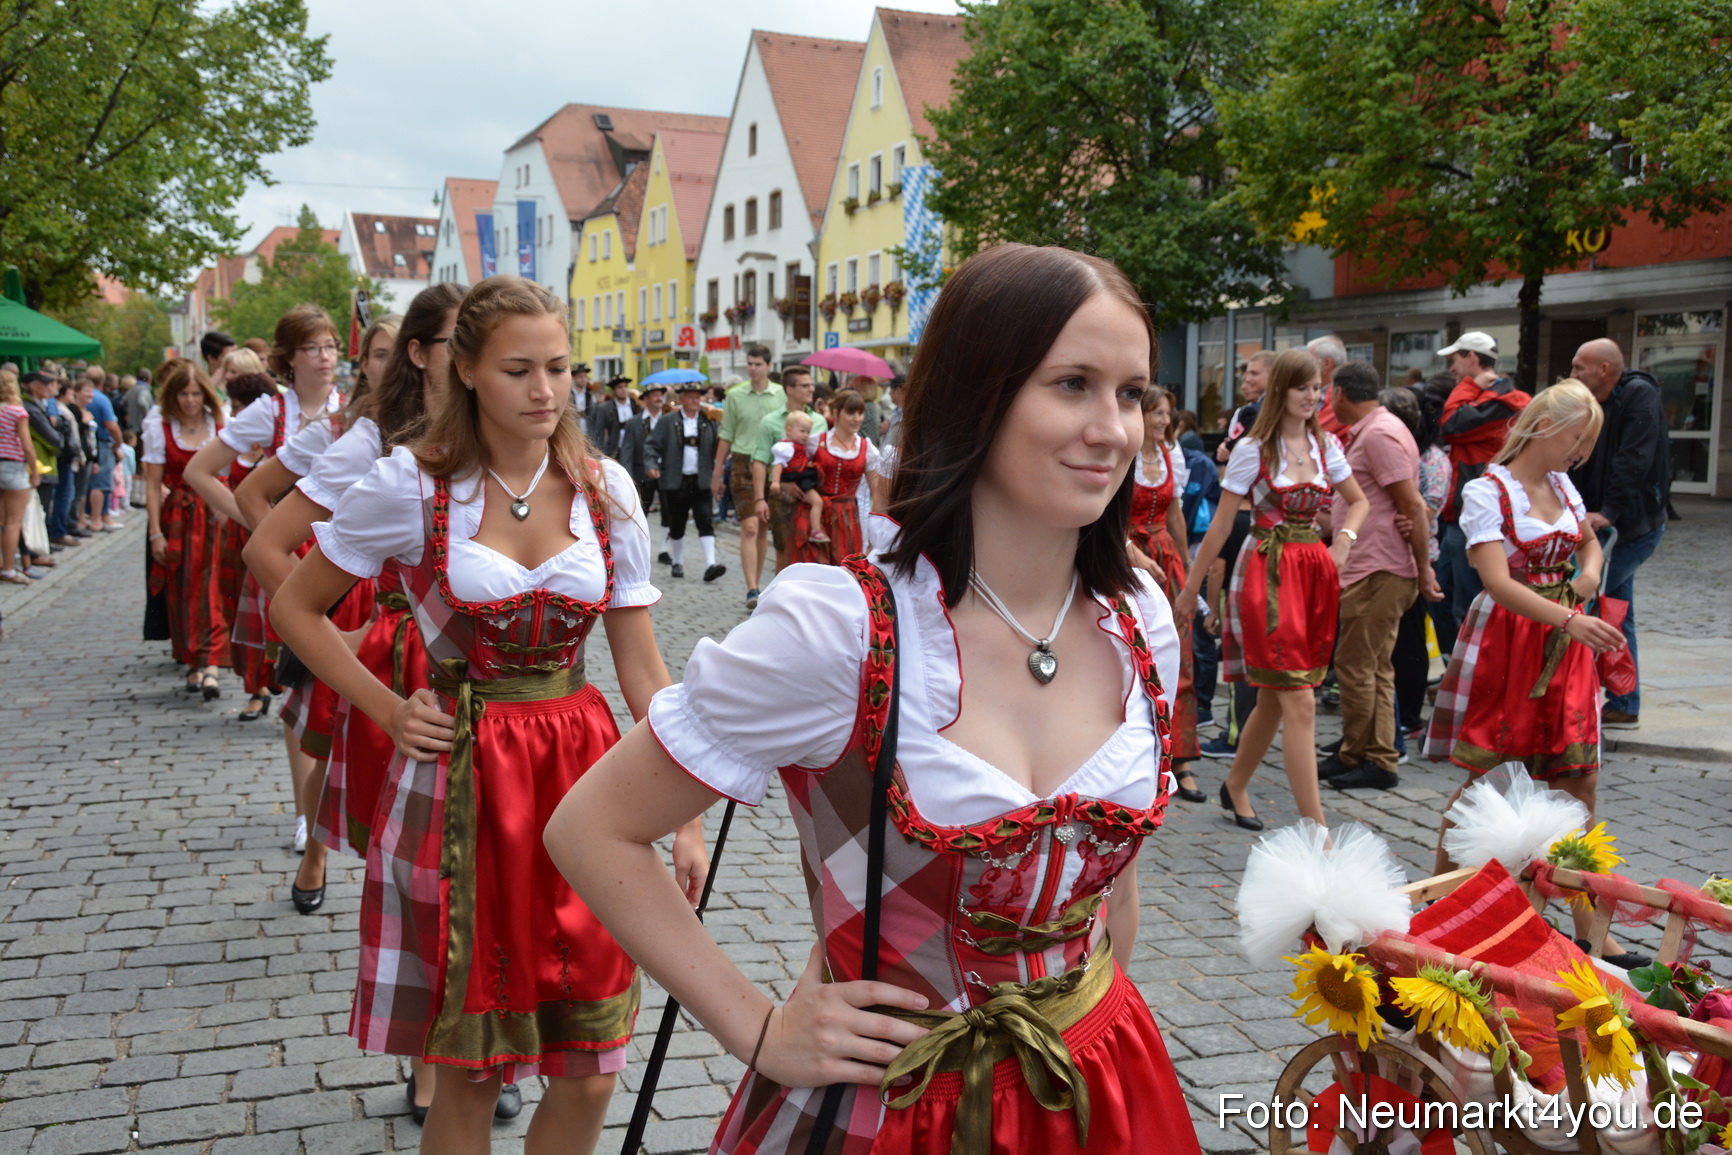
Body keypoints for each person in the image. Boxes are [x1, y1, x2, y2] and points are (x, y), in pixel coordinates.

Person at [547, 242, 1201, 1155]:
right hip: (894, 1104)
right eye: (1072, 385)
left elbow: (1112, 889)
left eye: (1130, 393)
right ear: (977, 395)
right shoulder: (843, 628)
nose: (1114, 429)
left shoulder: (1139, 620)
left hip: (1097, 1079)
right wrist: (758, 1027)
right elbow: (590, 828)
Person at [272, 275, 705, 1154]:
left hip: (583, 780)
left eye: (559, 367)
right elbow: (295, 604)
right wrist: (388, 707)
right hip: (458, 781)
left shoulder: (604, 488)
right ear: (465, 370)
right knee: (468, 1072)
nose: (545, 390)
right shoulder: (412, 484)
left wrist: (685, 816)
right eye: (519, 370)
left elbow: (642, 666)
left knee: (591, 1066)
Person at [1423, 381, 1641, 963]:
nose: (1583, 452)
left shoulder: (1563, 486)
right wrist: (1570, 618)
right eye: (1579, 438)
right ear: (1545, 426)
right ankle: (1438, 901)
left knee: (1579, 778)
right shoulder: (1487, 491)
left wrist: (1588, 575)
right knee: (1489, 779)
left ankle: (1590, 925)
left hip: (1566, 638)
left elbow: (1591, 544)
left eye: (1589, 442)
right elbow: (1497, 582)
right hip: (1512, 641)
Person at [1178, 348, 1370, 828]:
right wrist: (1191, 589)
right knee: (1299, 698)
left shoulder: (1326, 445)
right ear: (1281, 389)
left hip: (1312, 572)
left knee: (1273, 697)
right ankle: (1317, 830)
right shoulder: (1253, 449)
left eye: (1317, 388)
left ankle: (1236, 784)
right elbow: (1222, 526)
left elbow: (1359, 502)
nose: (1312, 396)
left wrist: (1344, 542)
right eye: (1302, 387)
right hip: (1266, 572)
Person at [185, 305, 345, 863]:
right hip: (288, 560)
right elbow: (199, 471)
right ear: (288, 358)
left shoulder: (352, 409)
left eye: (330, 346)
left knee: (342, 677)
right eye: (312, 348)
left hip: (344, 561)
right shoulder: (269, 411)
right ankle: (306, 816)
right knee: (299, 683)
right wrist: (263, 525)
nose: (324, 357)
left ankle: (338, 798)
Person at [1317, 362, 1441, 791]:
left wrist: (1423, 569)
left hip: (1378, 568)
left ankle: (1370, 756)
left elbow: (1412, 504)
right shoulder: (1376, 430)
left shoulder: (1379, 433)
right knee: (1373, 668)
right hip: (1376, 566)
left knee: (1356, 667)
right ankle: (1369, 752)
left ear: (1340, 394)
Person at [1568, 338, 1669, 730]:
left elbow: (1634, 459)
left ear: (1603, 370)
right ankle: (1624, 702)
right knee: (1615, 610)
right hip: (1610, 526)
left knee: (1587, 607)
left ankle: (1579, 698)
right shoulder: (1595, 401)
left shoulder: (1639, 396)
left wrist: (1607, 511)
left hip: (1632, 526)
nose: (1573, 374)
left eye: (1579, 367)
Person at [1128, 384, 1203, 801]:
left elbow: (1175, 513)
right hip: (1126, 554)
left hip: (1165, 555)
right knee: (1135, 651)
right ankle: (1141, 749)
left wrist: (1187, 567)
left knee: (1180, 651)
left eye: (1167, 413)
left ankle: (1182, 757)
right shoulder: (1125, 453)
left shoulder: (1171, 454)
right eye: (1155, 412)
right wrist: (1133, 554)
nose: (1163, 420)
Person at [1435, 331, 1531, 653]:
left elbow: (1449, 424)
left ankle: (1474, 670)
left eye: (1455, 360)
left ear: (1472, 358)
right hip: (1462, 514)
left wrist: (1471, 385)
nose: (1452, 369)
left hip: (1477, 517)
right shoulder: (1491, 400)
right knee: (1441, 596)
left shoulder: (1504, 401)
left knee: (1470, 606)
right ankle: (1456, 665)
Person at [142, 360, 231, 698]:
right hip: (178, 518)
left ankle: (211, 663)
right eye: (183, 394)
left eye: (196, 393)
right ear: (173, 395)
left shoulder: (221, 423)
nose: (190, 400)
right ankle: (192, 659)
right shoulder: (161, 428)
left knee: (213, 587)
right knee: (182, 588)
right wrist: (155, 533)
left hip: (216, 513)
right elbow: (153, 486)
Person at [212, 365, 279, 721]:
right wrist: (235, 512)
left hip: (279, 536)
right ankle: (257, 688)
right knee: (243, 614)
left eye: (238, 406)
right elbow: (212, 477)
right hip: (240, 535)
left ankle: (284, 679)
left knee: (275, 609)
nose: (234, 413)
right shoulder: (235, 443)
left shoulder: (281, 439)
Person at [712, 344, 784, 609]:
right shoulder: (735, 396)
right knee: (749, 526)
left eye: (757, 364)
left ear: (768, 366)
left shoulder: (780, 394)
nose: (752, 369)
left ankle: (758, 585)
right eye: (749, 364)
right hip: (742, 462)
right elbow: (726, 435)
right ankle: (751, 587)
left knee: (763, 526)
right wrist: (717, 472)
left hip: (771, 462)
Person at [645, 379, 727, 582]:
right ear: (681, 399)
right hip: (676, 480)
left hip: (701, 480)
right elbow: (651, 445)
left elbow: (720, 447)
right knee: (677, 522)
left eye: (697, 397)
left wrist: (718, 476)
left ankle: (710, 564)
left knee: (705, 520)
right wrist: (652, 465)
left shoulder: (708, 421)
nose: (694, 401)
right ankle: (677, 561)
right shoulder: (667, 421)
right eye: (690, 397)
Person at [751, 366, 829, 572]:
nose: (811, 389)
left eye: (811, 384)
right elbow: (760, 461)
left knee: (814, 555)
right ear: (790, 390)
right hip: (783, 498)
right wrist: (760, 499)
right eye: (805, 385)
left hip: (812, 493)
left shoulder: (819, 421)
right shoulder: (770, 421)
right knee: (785, 552)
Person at [789, 389, 879, 566]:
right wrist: (787, 482)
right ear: (836, 413)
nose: (857, 419)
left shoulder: (867, 448)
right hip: (816, 515)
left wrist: (874, 535)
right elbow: (792, 464)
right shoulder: (816, 441)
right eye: (851, 413)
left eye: (860, 413)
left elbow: (877, 494)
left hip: (848, 518)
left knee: (843, 567)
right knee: (813, 569)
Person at [0, 372, 40, 584]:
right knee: (13, 522)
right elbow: (27, 446)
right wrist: (34, 471)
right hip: (13, 466)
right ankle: (8, 569)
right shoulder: (16, 412)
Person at [768, 412, 829, 544]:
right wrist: (776, 482)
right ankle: (816, 530)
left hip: (800, 478)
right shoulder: (786, 447)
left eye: (808, 432)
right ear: (789, 430)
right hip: (798, 480)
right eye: (802, 431)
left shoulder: (799, 447)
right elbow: (778, 465)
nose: (806, 435)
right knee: (817, 502)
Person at [78, 373, 124, 531]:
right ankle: (97, 518)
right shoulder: (101, 399)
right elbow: (111, 425)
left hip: (88, 443)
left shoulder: (84, 400)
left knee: (87, 484)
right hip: (101, 443)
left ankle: (85, 518)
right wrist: (118, 444)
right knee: (101, 482)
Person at [1216, 350, 1274, 464]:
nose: (1247, 381)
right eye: (1247, 375)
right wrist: (1225, 447)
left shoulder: (1287, 406)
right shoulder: (1243, 411)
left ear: (1273, 374)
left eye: (1254, 373)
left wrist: (1228, 448)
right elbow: (1231, 445)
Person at [1306, 335, 1350, 437]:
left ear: (1326, 363)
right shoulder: (1328, 391)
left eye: (1309, 361)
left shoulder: (1342, 395)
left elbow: (1312, 431)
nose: (1304, 366)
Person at [586, 375, 638, 461]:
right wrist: (598, 455)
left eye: (625, 386)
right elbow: (599, 433)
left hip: (634, 450)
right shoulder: (605, 408)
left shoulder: (635, 405)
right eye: (619, 387)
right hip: (614, 451)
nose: (623, 390)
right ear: (614, 390)